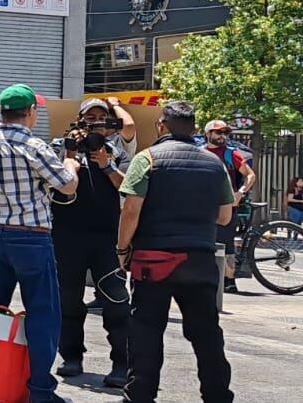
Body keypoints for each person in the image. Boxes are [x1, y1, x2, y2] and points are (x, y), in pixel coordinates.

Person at [0, 84, 81, 403]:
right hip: (31, 237)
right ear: (30, 112)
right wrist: (71, 162)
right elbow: (67, 187)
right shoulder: (34, 146)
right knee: (43, 313)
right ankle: (40, 391)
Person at [117, 100, 234, 403]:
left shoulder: (148, 159)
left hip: (154, 262)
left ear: (161, 126)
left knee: (146, 332)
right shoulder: (214, 163)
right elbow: (224, 217)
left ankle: (139, 396)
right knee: (207, 334)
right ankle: (218, 395)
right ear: (195, 129)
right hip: (200, 261)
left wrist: (122, 249)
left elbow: (131, 212)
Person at [52, 99, 132, 387]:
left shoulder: (118, 152)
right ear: (79, 119)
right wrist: (70, 152)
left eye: (101, 117)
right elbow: (52, 183)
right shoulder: (59, 147)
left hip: (106, 237)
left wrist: (107, 166)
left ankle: (122, 362)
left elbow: (129, 188)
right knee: (68, 300)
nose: (95, 122)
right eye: (90, 117)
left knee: (116, 300)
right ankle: (71, 356)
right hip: (67, 236)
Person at [201, 120, 256, 294]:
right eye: (218, 132)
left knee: (227, 244)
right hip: (204, 205)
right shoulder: (199, 153)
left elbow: (250, 175)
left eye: (225, 133)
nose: (222, 136)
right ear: (208, 133)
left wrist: (240, 193)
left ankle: (230, 281)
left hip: (227, 205)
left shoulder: (231, 154)